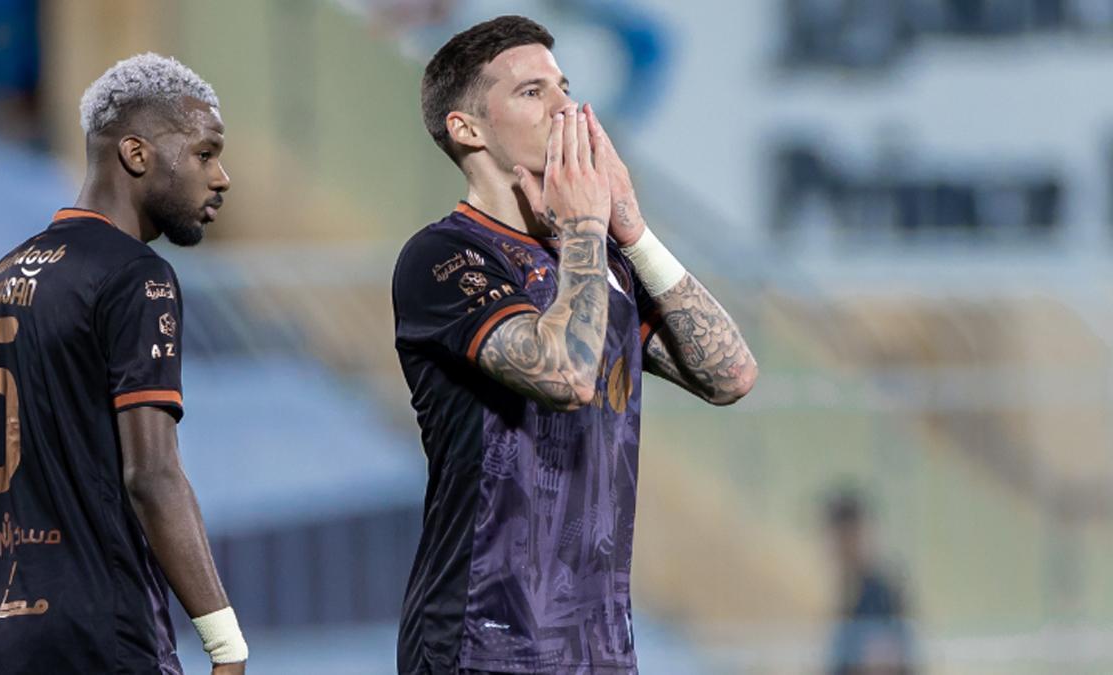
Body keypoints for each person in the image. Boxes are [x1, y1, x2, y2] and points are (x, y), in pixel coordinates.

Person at [392, 15, 758, 674]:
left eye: (565, 85)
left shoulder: (603, 260)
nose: (568, 107)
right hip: (484, 642)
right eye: (533, 93)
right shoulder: (444, 257)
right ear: (467, 128)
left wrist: (633, 230)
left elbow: (729, 373)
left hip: (599, 649)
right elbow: (566, 372)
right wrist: (588, 225)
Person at [0, 53, 247, 675]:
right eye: (206, 153)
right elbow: (151, 475)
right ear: (136, 154)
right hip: (106, 634)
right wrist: (223, 640)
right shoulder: (137, 276)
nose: (222, 178)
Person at [824, 490, 917, 675]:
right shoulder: (851, 591)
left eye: (839, 537)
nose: (832, 546)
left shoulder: (878, 594)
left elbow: (883, 664)